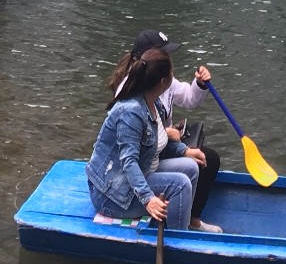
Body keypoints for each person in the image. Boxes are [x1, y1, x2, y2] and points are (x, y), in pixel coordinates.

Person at [86, 46, 197, 232]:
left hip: (142, 171)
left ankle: (178, 224)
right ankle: (178, 239)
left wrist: (184, 151)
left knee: (191, 168)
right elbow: (128, 161)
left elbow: (156, 143)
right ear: (163, 81)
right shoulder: (131, 112)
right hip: (111, 194)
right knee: (180, 185)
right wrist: (148, 199)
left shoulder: (154, 102)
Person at [126, 29, 222, 229]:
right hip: (147, 153)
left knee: (207, 159)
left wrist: (200, 84)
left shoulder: (164, 80)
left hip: (165, 146)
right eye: (164, 54)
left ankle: (191, 219)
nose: (169, 60)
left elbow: (189, 99)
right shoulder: (131, 92)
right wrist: (166, 133)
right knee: (192, 170)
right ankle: (178, 225)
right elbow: (132, 145)